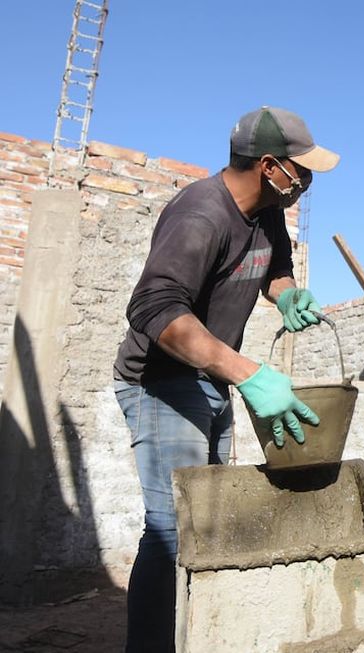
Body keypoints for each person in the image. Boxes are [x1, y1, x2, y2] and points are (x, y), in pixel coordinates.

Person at [112, 106, 339, 652]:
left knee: (211, 521)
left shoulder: (267, 213)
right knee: (174, 528)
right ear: (268, 165)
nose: (306, 181)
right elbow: (154, 310)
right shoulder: (200, 215)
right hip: (161, 381)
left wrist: (288, 296)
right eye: (300, 170)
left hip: (209, 378)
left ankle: (198, 635)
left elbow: (275, 267)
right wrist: (250, 374)